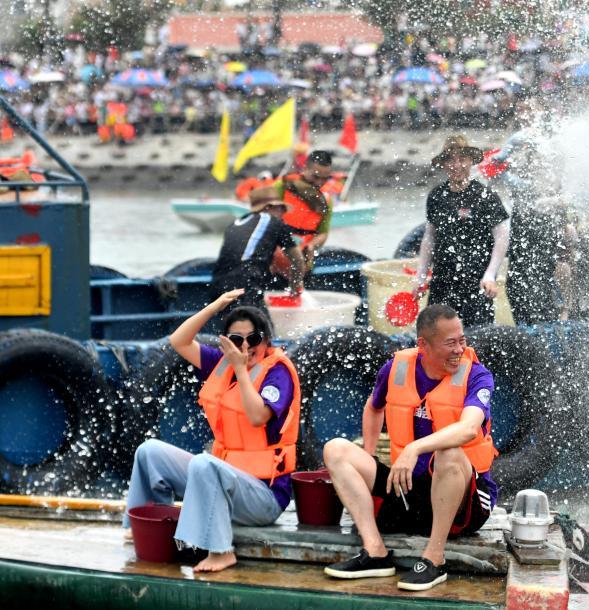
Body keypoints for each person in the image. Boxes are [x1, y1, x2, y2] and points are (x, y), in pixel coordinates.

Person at [322, 304, 498, 591]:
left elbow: (468, 429)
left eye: (462, 340)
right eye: (450, 343)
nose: (459, 349)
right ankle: (375, 552)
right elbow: (373, 407)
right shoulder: (396, 368)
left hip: (463, 506)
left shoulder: (478, 376)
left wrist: (414, 448)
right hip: (409, 493)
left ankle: (434, 558)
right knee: (335, 449)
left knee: (450, 452)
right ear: (423, 345)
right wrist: (369, 453)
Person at [123, 290, 300, 572]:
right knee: (149, 452)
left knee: (206, 464)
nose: (244, 347)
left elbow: (257, 416)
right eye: (236, 340)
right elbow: (178, 341)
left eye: (253, 339)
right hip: (223, 484)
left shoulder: (277, 373)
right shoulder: (221, 364)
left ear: (266, 340)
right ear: (226, 342)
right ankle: (147, 525)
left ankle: (221, 550)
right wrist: (215, 306)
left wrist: (242, 371)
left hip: (264, 499)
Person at [415, 136, 510, 327]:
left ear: (470, 161)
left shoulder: (485, 196)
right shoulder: (436, 196)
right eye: (450, 160)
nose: (456, 165)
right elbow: (429, 237)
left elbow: (502, 236)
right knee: (438, 335)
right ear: (443, 164)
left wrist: (490, 275)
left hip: (477, 282)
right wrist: (420, 276)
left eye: (462, 159)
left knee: (476, 339)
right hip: (442, 281)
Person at [493, 99, 570, 324]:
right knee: (518, 281)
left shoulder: (550, 141)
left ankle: (554, 321)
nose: (524, 114)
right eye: (521, 110)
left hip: (546, 228)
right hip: (522, 227)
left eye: (530, 110)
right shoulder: (518, 146)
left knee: (544, 277)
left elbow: (555, 185)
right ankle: (527, 325)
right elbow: (496, 169)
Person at [210, 184, 305, 310]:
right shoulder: (274, 221)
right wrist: (295, 290)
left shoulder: (235, 224)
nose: (284, 213)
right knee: (262, 327)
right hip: (246, 286)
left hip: (218, 287)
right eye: (281, 208)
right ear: (269, 207)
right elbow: (297, 261)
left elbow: (240, 254)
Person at [277, 149, 335, 270]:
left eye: (325, 178)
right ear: (305, 168)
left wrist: (312, 245)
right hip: (274, 258)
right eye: (315, 176)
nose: (319, 182)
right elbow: (260, 216)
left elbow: (323, 233)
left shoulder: (327, 200)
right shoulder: (283, 185)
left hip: (302, 263)